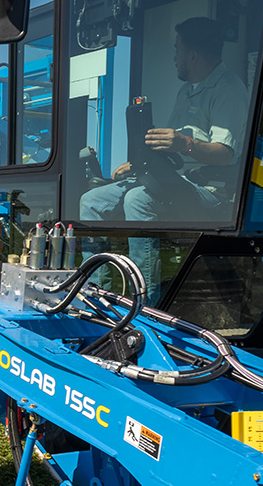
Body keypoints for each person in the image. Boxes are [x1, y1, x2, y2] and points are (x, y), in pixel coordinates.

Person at [80, 17, 249, 302]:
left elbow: (224, 154)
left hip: (212, 191)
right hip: (176, 181)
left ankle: (145, 304)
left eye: (177, 50)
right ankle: (98, 295)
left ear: (192, 55)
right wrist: (139, 165)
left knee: (138, 200)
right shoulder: (187, 91)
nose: (174, 58)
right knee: (92, 201)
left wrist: (185, 143)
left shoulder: (229, 88)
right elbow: (173, 153)